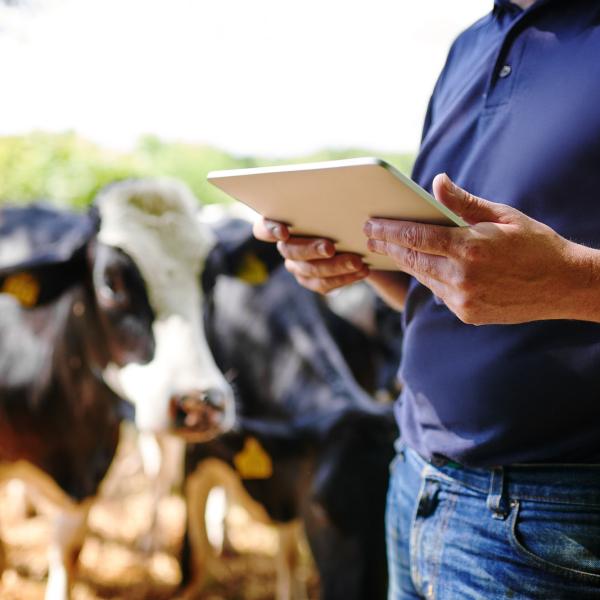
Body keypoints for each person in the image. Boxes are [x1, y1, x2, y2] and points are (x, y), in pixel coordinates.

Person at [254, 0, 600, 597]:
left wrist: (569, 279)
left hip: (558, 514)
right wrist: (356, 262)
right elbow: (453, 288)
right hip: (415, 477)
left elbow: (528, 280)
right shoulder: (468, 46)